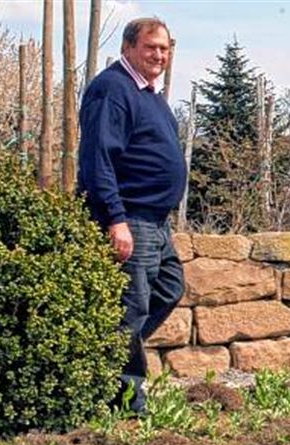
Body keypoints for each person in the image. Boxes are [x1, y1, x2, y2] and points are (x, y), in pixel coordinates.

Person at [77, 17, 186, 415]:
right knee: (131, 308)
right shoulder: (113, 89)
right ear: (127, 48)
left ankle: (103, 362)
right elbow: (97, 159)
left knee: (169, 289)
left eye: (164, 48)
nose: (159, 55)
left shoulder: (149, 94)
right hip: (130, 216)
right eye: (150, 47)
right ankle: (124, 402)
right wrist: (115, 219)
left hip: (156, 221)